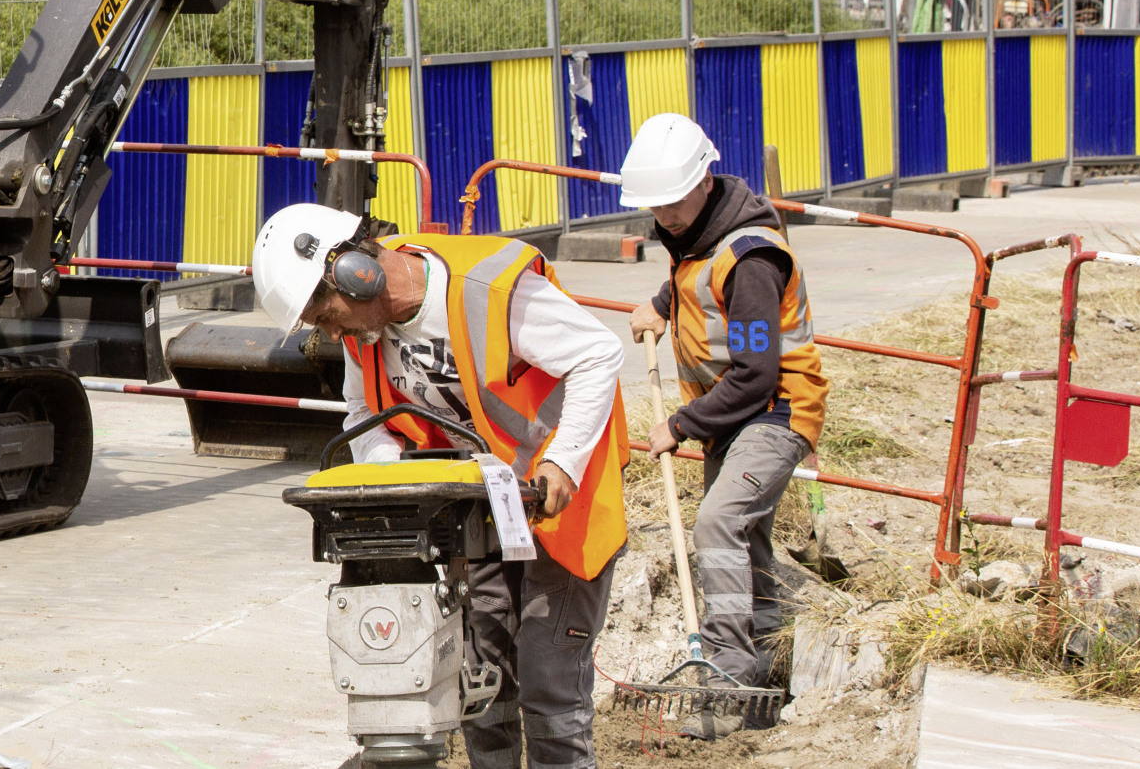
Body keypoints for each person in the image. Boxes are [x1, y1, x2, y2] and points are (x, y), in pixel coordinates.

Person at [254, 204, 630, 769]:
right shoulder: (364, 332)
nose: (329, 332)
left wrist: (563, 463)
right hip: (483, 507)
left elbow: (599, 354)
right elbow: (364, 410)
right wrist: (391, 478)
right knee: (477, 672)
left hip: (563, 498)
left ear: (358, 273)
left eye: (325, 314)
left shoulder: (489, 292)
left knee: (549, 679)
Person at [618, 113, 826, 731]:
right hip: (733, 416)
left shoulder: (751, 257)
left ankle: (729, 678)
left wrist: (681, 423)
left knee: (717, 523)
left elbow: (757, 374)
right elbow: (697, 282)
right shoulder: (698, 234)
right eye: (655, 205)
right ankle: (766, 670)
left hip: (774, 411)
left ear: (705, 181)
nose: (664, 216)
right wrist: (662, 303)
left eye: (673, 201)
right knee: (745, 539)